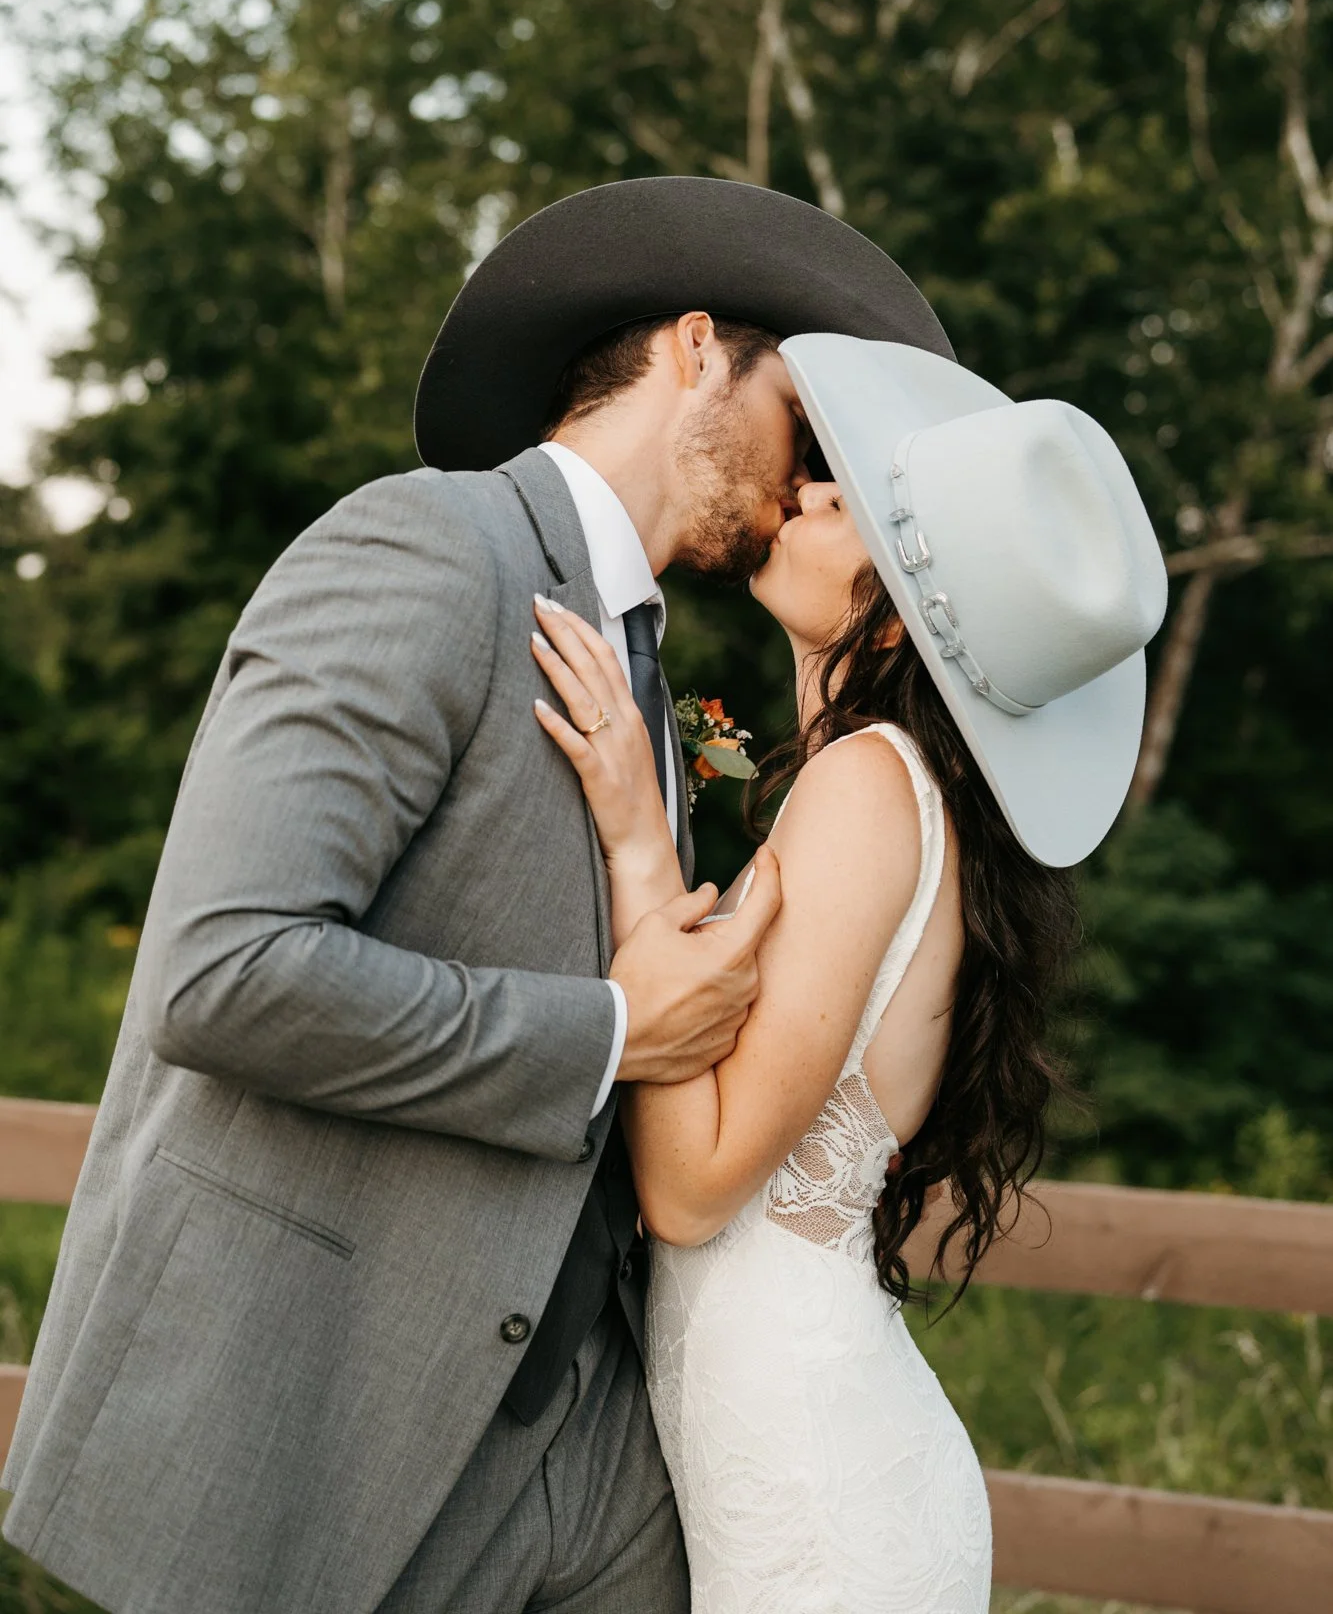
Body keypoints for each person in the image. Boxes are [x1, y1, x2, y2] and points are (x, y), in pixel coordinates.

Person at [1, 178, 954, 1614]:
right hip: (327, 1417)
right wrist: (606, 1034)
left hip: (585, 1437)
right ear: (695, 348)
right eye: (797, 420)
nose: (804, 474)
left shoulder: (650, 670)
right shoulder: (429, 547)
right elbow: (224, 972)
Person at [529, 333, 1168, 1614]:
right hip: (798, 1465)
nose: (808, 491)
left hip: (824, 1512)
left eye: (849, 502)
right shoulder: (881, 788)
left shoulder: (865, 786)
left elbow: (693, 1189)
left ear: (898, 607)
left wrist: (639, 848)